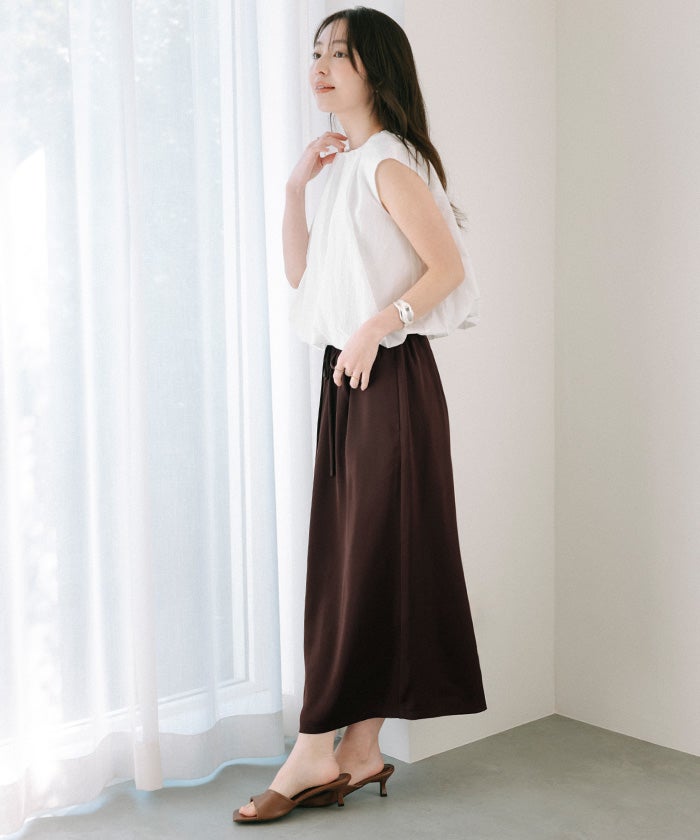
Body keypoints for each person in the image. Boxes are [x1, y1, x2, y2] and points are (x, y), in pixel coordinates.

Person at [233, 5, 487, 824]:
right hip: (348, 378)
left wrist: (377, 326)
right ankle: (360, 748)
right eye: (316, 51)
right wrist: (294, 188)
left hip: (389, 379)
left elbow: (446, 269)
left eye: (339, 53)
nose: (319, 65)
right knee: (358, 562)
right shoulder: (347, 165)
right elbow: (304, 279)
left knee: (365, 565)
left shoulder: (387, 162)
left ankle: (315, 749)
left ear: (377, 67)